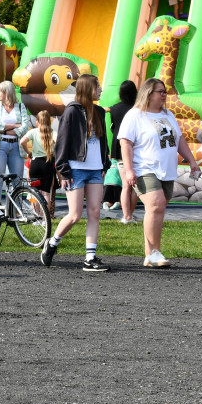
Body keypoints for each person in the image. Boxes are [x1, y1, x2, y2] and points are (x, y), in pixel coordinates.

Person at [118, 78, 201, 268]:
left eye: (165, 92)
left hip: (167, 170)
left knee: (158, 210)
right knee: (155, 205)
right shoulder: (135, 115)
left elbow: (179, 140)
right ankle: (154, 252)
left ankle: (151, 254)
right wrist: (129, 170)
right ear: (148, 93)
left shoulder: (168, 114)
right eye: (160, 91)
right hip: (145, 168)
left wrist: (193, 161)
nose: (164, 94)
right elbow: (126, 143)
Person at [42, 74, 111, 272]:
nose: (100, 90)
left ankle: (90, 258)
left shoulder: (99, 111)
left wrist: (104, 164)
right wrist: (63, 171)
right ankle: (52, 243)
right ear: (88, 88)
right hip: (76, 170)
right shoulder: (72, 111)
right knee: (74, 215)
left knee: (95, 212)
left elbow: (103, 141)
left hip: (95, 169)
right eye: (97, 86)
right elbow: (62, 142)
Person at [0, 80, 32, 201]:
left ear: (7, 92)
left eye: (0, 91)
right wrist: (15, 126)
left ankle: (15, 214)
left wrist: (4, 129)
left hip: (16, 147)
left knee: (17, 181)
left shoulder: (21, 106)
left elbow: (25, 127)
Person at [108, 80, 139, 223]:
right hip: (136, 149)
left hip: (119, 150)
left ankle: (126, 216)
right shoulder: (137, 109)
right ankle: (129, 215)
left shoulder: (114, 109)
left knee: (125, 185)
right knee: (137, 187)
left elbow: (114, 128)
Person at [22, 110, 57, 216]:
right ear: (49, 121)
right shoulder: (53, 132)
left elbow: (22, 141)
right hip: (47, 163)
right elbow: (60, 143)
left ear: (37, 121)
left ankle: (36, 217)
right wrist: (54, 153)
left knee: (34, 193)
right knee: (46, 193)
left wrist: (28, 152)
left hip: (35, 163)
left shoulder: (33, 131)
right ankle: (44, 219)